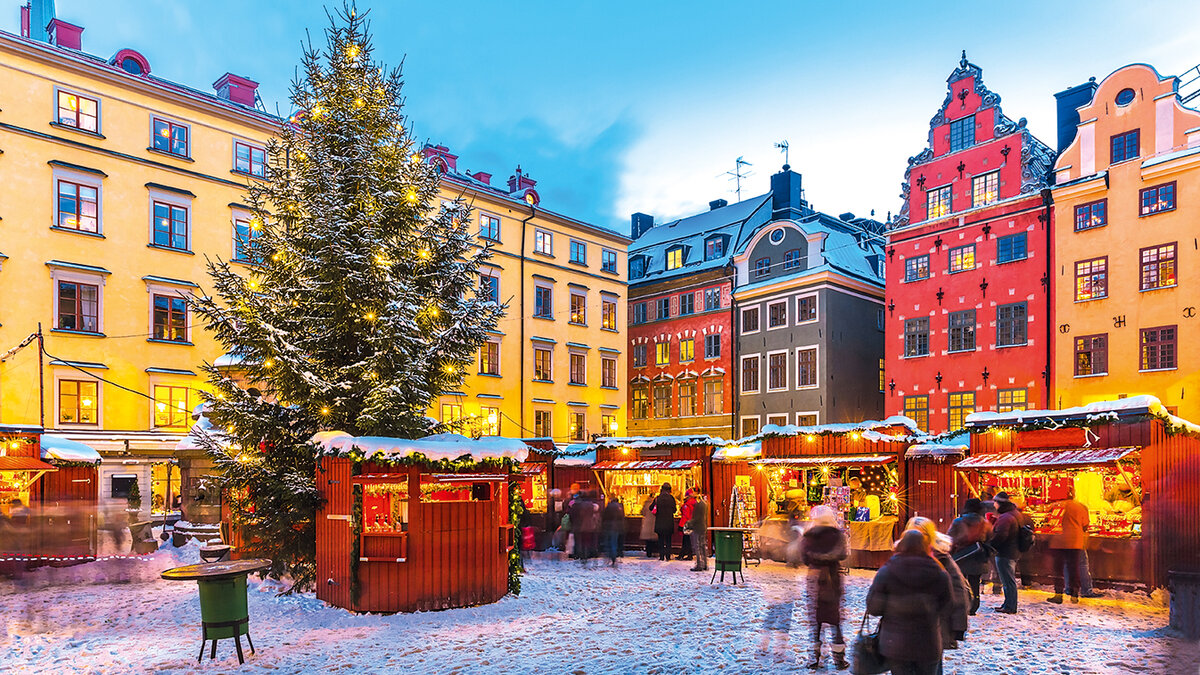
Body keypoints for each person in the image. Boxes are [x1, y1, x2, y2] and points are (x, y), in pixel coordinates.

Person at [865, 529, 953, 675]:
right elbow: (947, 605)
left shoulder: (886, 572)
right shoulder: (939, 573)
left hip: (896, 645)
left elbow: (874, 608)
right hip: (928, 642)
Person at [908, 515, 971, 670]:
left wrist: (957, 627)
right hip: (906, 628)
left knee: (932, 665)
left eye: (921, 534)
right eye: (913, 533)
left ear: (929, 536)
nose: (917, 539)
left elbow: (959, 591)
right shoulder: (900, 558)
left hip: (933, 626)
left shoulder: (941, 559)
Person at [799, 505, 849, 670]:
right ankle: (839, 659)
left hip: (815, 579)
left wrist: (816, 558)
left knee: (816, 621)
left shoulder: (809, 536)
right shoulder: (837, 535)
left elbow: (804, 557)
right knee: (835, 621)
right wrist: (829, 557)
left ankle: (814, 658)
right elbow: (842, 554)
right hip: (833, 579)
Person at [948, 498, 993, 615]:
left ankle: (962, 604)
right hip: (978, 557)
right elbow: (990, 540)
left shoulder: (958, 522)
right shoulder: (985, 523)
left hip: (961, 557)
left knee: (960, 583)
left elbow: (950, 539)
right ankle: (974, 606)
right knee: (975, 583)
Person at [1047, 486, 1090, 604]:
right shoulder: (1081, 507)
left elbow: (1048, 522)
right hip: (1075, 541)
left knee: (1058, 569)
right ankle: (1074, 594)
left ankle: (1058, 594)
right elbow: (1085, 524)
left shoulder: (1055, 506)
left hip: (1057, 541)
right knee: (1074, 567)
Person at [988, 492, 1021, 614]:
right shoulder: (1015, 514)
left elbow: (1001, 536)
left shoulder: (1006, 517)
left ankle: (1010, 606)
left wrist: (991, 544)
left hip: (1005, 552)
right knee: (1009, 580)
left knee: (1008, 580)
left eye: (995, 502)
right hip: (1013, 551)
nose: (994, 505)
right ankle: (1008, 603)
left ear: (1000, 503)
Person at [652, 483, 677, 561]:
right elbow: (674, 510)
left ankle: (662, 556)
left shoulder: (657, 498)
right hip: (669, 522)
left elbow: (651, 508)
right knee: (668, 540)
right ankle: (668, 556)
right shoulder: (671, 498)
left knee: (661, 540)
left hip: (660, 522)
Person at [688, 490, 709, 572]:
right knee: (703, 545)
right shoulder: (705, 504)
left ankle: (699, 564)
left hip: (698, 526)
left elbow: (696, 517)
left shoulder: (698, 504)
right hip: (703, 526)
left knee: (697, 546)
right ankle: (705, 564)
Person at [601, 496, 625, 566]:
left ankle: (610, 556)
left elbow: (604, 516)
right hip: (617, 527)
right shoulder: (620, 507)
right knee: (614, 542)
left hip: (609, 526)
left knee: (609, 542)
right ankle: (614, 557)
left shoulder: (609, 507)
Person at [678, 489, 697, 561]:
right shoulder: (694, 502)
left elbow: (686, 515)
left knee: (686, 540)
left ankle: (685, 554)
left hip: (686, 523)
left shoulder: (688, 504)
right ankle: (685, 554)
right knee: (687, 539)